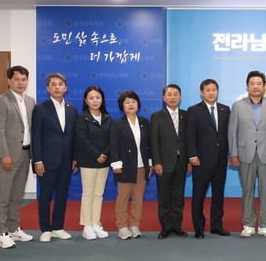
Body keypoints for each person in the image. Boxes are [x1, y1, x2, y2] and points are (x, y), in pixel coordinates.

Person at [228, 70, 266, 238]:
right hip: (244, 154)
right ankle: (248, 224)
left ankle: (265, 225)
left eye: (259, 84)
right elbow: (232, 131)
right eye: (252, 84)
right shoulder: (238, 105)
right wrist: (233, 154)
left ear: (264, 86)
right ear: (247, 86)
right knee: (247, 190)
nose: (256, 86)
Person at [0, 66, 36, 249]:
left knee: (17, 195)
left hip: (25, 154)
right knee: (3, 195)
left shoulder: (30, 101)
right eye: (16, 79)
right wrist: (4, 155)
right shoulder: (1, 101)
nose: (20, 83)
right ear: (9, 81)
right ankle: (0, 232)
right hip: (8, 156)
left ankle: (13, 227)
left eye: (24, 79)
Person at [32, 72, 78, 242]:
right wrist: (37, 160)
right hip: (47, 160)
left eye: (60, 84)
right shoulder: (40, 108)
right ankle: (45, 229)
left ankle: (58, 227)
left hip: (66, 160)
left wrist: (75, 157)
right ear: (47, 88)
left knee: (62, 195)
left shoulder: (72, 109)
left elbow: (74, 136)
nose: (57, 87)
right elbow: (36, 136)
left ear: (66, 88)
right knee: (45, 195)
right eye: (53, 84)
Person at [186, 79, 231, 238]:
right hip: (201, 160)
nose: (211, 93)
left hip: (220, 160)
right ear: (201, 92)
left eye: (214, 90)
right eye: (208, 90)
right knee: (198, 195)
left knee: (218, 195)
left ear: (217, 91)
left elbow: (228, 135)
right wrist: (192, 155)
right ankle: (199, 227)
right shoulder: (194, 110)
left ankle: (217, 226)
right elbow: (190, 135)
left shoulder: (225, 109)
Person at [110, 90, 151, 239]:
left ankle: (134, 224)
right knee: (123, 197)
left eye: (133, 101)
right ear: (122, 106)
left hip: (141, 166)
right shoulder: (117, 123)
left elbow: (149, 144)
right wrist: (116, 164)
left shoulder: (145, 122)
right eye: (127, 102)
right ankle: (122, 226)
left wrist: (150, 163)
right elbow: (113, 145)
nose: (131, 104)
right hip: (124, 166)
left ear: (138, 104)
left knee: (138, 198)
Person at [150, 84, 191, 239]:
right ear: (164, 97)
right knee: (164, 197)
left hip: (182, 162)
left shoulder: (186, 115)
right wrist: (156, 162)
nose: (172, 97)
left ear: (180, 97)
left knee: (178, 197)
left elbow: (189, 140)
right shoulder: (157, 116)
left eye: (175, 94)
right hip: (164, 163)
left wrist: (189, 160)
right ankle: (166, 227)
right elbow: (154, 141)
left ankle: (177, 226)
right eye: (169, 94)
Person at [74, 85, 112, 240]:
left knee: (99, 193)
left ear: (102, 99)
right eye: (91, 98)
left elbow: (111, 139)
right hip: (88, 160)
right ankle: (87, 225)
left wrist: (105, 154)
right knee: (88, 193)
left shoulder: (107, 117)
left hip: (104, 161)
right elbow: (82, 139)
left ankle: (96, 223)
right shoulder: (82, 118)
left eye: (97, 97)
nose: (95, 100)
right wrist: (96, 155)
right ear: (86, 100)